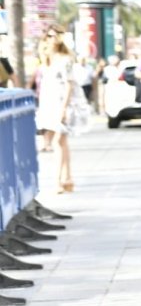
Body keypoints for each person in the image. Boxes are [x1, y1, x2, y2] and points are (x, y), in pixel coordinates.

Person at [33, 33, 87, 193]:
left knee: (57, 142)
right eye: (48, 36)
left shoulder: (65, 60)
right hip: (49, 105)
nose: (52, 39)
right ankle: (68, 179)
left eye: (55, 36)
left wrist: (64, 108)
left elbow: (70, 85)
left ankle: (58, 181)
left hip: (62, 104)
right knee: (62, 143)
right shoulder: (45, 62)